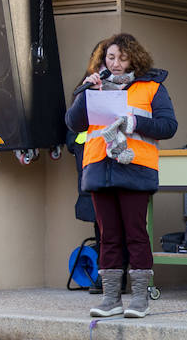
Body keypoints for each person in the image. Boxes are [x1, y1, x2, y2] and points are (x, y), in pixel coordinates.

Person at [65, 32, 178, 319]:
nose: (115, 63)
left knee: (136, 235)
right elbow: (73, 123)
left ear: (134, 58)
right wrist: (88, 92)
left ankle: (140, 299)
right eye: (110, 57)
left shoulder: (152, 87)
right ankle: (111, 300)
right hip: (99, 168)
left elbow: (168, 126)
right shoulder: (95, 85)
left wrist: (134, 121)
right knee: (108, 237)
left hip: (135, 169)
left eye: (122, 57)